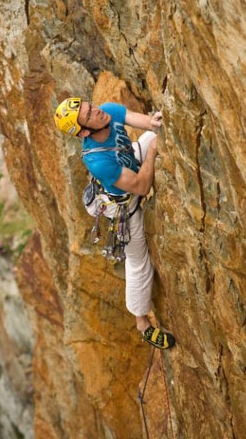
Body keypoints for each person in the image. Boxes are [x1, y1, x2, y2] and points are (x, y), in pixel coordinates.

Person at [54, 97, 175, 350]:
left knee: (150, 139)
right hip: (123, 206)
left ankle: (146, 152)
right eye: (89, 115)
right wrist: (152, 153)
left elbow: (141, 121)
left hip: (128, 159)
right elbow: (142, 187)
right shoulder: (97, 161)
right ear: (85, 131)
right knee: (139, 264)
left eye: (89, 106)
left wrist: (156, 123)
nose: (95, 110)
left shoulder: (105, 112)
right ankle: (142, 324)